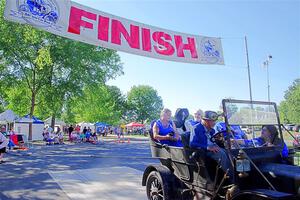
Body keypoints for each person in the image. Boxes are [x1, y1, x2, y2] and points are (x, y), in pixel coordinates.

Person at [190, 111, 234, 183]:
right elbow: (192, 143)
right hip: (203, 151)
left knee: (229, 152)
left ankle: (231, 173)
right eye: (212, 121)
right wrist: (208, 148)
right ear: (205, 121)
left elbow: (213, 139)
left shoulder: (211, 129)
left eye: (214, 121)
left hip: (213, 148)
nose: (214, 123)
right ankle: (231, 177)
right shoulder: (196, 128)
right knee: (221, 154)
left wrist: (223, 136)